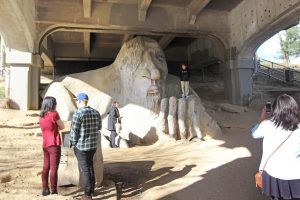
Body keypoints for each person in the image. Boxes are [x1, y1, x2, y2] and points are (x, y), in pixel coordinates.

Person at [252, 94, 300, 200]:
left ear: (274, 110)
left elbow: (254, 134)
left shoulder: (267, 125)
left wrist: (263, 117)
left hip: (273, 174)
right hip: (296, 175)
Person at [69, 93, 102, 200]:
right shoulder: (96, 112)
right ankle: (92, 189)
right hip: (92, 146)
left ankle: (87, 194)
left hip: (81, 147)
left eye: (76, 101)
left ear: (80, 101)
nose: (76, 103)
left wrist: (72, 143)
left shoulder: (78, 114)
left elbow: (74, 132)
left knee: (86, 170)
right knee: (90, 167)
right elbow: (99, 127)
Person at [39, 96, 65, 196]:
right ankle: (54, 191)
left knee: (46, 167)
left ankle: (45, 189)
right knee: (54, 168)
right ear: (52, 104)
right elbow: (62, 127)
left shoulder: (41, 115)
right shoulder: (54, 114)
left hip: (45, 144)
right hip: (54, 144)